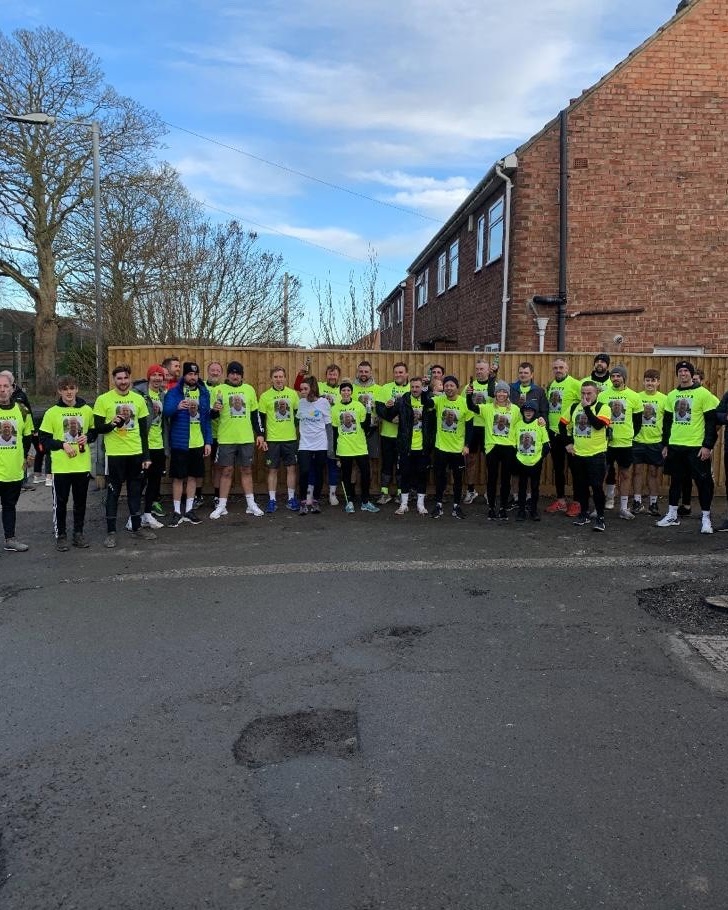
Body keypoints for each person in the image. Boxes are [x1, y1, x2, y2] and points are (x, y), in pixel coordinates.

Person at [93, 364, 155, 548]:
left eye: (125, 378)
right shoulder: (103, 400)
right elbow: (97, 429)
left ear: (130, 379)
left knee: (135, 492)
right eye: (119, 379)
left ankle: (137, 528)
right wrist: (112, 424)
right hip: (114, 455)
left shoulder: (138, 399)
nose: (122, 382)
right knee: (113, 493)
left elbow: (144, 431)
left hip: (135, 454)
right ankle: (111, 532)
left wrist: (146, 456)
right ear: (114, 380)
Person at [656, 360, 719, 534]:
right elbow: (667, 423)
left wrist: (707, 446)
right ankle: (672, 514)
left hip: (696, 447)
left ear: (691, 374)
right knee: (675, 482)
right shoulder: (671, 395)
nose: (683, 374)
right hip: (676, 446)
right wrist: (665, 444)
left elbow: (711, 423)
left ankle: (706, 518)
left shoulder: (703, 394)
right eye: (680, 371)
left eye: (686, 371)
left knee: (703, 483)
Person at [39, 375, 96, 550]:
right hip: (61, 467)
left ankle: (78, 533)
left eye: (72, 388)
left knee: (80, 502)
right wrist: (62, 444)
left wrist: (88, 437)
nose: (69, 392)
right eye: (65, 389)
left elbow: (94, 433)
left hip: (82, 465)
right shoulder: (52, 412)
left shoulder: (87, 410)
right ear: (59, 391)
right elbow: (44, 440)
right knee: (61, 503)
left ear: (77, 389)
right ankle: (61, 535)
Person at [209, 361, 265, 520]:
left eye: (238, 373)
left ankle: (251, 504)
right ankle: (221, 506)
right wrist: (214, 410)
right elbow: (211, 416)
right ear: (227, 375)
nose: (235, 376)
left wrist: (260, 433)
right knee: (226, 471)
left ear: (242, 375)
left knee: (246, 470)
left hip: (246, 438)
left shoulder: (249, 390)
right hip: (226, 438)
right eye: (232, 373)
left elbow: (255, 415)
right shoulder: (219, 390)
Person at [163, 361, 212, 527]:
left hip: (197, 442)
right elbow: (166, 413)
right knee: (178, 478)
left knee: (193, 477)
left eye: (195, 374)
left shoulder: (204, 392)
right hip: (180, 442)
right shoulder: (175, 392)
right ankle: (177, 511)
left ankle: (189, 510)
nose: (193, 377)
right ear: (184, 375)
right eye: (190, 374)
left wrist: (208, 442)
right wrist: (176, 407)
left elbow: (207, 420)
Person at [559, 380, 611, 532]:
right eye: (583, 393)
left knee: (596, 486)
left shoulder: (603, 407)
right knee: (581, 487)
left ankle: (600, 517)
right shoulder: (574, 407)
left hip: (596, 454)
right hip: (578, 454)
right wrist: (568, 443)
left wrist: (587, 408)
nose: (585, 396)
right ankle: (584, 513)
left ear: (596, 393)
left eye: (589, 393)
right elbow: (562, 425)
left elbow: (598, 425)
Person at [383, 376, 435, 516]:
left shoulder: (428, 401)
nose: (414, 389)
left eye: (417, 387)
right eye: (412, 387)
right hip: (406, 446)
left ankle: (420, 505)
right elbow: (390, 414)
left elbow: (434, 422)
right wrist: (388, 408)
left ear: (421, 388)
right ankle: (404, 504)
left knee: (422, 476)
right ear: (409, 387)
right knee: (404, 475)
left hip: (423, 447)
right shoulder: (402, 401)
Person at [598, 365, 643, 519]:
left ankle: (623, 508)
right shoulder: (603, 396)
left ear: (624, 378)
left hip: (625, 444)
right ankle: (599, 506)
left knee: (625, 475)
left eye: (618, 376)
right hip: (606, 443)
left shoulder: (634, 396)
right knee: (601, 474)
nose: (615, 378)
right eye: (613, 376)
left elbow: (638, 422)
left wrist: (628, 435)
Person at [470, 380, 517, 521]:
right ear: (495, 393)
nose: (501, 394)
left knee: (505, 479)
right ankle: (491, 507)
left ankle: (503, 507)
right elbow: (471, 407)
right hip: (492, 447)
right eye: (498, 391)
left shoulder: (515, 409)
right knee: (491, 478)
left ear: (508, 394)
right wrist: (468, 395)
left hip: (509, 447)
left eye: (504, 391)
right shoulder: (487, 408)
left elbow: (527, 421)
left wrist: (540, 420)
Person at [331, 381, 378, 513]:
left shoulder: (359, 406)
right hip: (344, 448)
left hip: (360, 447)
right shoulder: (334, 409)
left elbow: (366, 427)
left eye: (348, 390)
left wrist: (369, 412)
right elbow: (335, 432)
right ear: (340, 393)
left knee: (365, 473)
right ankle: (349, 501)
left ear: (351, 392)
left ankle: (365, 501)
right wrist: (336, 454)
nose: (346, 393)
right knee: (346, 475)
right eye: (343, 390)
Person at [258, 366, 300, 512]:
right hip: (273, 440)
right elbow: (261, 420)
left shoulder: (293, 394)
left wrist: (293, 429)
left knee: (291, 469)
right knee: (272, 470)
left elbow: (297, 416)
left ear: (285, 378)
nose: (278, 379)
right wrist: (262, 437)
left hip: (290, 439)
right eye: (275, 377)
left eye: (281, 376)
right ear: (271, 378)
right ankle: (272, 500)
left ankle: (291, 498)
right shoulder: (265, 396)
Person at [431, 376, 473, 519]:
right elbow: (426, 402)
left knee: (458, 478)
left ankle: (456, 506)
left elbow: (469, 427)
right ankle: (438, 505)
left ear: (457, 387)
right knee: (440, 477)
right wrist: (426, 388)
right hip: (441, 447)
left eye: (451, 386)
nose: (449, 388)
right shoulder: (439, 400)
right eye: (446, 386)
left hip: (458, 449)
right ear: (443, 387)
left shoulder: (464, 403)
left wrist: (467, 445)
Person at [544, 358, 582, 516]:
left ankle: (578, 502)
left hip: (570, 434)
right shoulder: (551, 385)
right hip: (553, 433)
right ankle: (560, 500)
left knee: (575, 469)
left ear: (567, 369)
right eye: (555, 368)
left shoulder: (575, 384)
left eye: (561, 367)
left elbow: (585, 406)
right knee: (558, 469)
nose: (558, 370)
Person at [0, 372, 33, 551]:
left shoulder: (22, 410)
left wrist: (24, 457)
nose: (2, 390)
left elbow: (27, 437)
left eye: (5, 386)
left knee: (9, 506)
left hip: (13, 470)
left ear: (12, 389)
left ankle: (10, 540)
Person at [631, 369, 667, 517]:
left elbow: (668, 422)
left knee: (654, 473)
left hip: (655, 441)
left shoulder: (665, 399)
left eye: (653, 380)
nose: (650, 383)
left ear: (658, 382)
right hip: (638, 440)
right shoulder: (637, 397)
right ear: (643, 381)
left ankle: (653, 503)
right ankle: (637, 501)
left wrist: (666, 443)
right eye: (647, 380)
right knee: (637, 471)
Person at [295, 376, 332, 514]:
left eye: (305, 389)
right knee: (304, 472)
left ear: (313, 389)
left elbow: (328, 426)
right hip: (305, 444)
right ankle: (303, 502)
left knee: (318, 473)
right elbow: (297, 422)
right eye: (301, 389)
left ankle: (315, 500)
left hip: (321, 444)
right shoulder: (301, 403)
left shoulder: (323, 403)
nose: (302, 391)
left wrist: (331, 448)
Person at [375, 362, 410, 504]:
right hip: (387, 435)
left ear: (406, 373)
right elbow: (379, 408)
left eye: (401, 372)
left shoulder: (411, 388)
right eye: (396, 372)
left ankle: (401, 493)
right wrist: (390, 417)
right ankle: (384, 493)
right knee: (387, 464)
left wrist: (401, 420)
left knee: (402, 465)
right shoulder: (385, 388)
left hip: (404, 436)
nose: (398, 375)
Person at [137, 364, 167, 528]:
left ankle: (147, 514)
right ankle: (134, 516)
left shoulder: (163, 395)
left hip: (159, 445)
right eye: (154, 375)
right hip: (143, 445)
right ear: (149, 377)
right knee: (139, 482)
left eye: (160, 375)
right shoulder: (140, 394)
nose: (157, 378)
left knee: (155, 482)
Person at [464, 359, 495, 504]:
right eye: (477, 369)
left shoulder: (494, 386)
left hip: (488, 429)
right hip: (472, 428)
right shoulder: (469, 387)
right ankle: (471, 491)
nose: (479, 371)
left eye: (482, 369)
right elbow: (464, 407)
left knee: (491, 462)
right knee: (470, 461)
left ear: (488, 370)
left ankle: (490, 492)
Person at [513, 399, 550, 521]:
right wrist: (517, 458)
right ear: (523, 411)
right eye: (526, 410)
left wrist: (540, 459)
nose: (528, 412)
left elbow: (546, 445)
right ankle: (521, 511)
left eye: (531, 410)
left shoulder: (539, 424)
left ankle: (534, 511)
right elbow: (514, 443)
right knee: (522, 487)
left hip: (536, 462)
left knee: (535, 487)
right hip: (521, 461)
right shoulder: (518, 425)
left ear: (535, 412)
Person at [206, 361, 224, 504]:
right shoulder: (201, 387)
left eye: (218, 371)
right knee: (197, 466)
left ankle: (217, 496)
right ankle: (196, 496)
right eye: (212, 370)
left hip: (220, 434)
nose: (215, 373)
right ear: (208, 372)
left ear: (221, 373)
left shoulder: (224, 389)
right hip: (202, 433)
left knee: (217, 466)